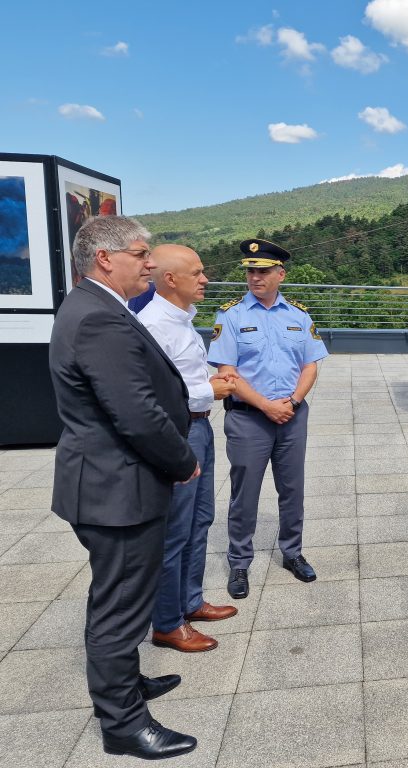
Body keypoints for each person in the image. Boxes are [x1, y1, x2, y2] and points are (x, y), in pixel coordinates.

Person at [49, 216, 199, 760]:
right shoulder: (98, 320)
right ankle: (123, 723)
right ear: (105, 259)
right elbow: (135, 413)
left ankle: (124, 686)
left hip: (110, 483)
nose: (151, 263)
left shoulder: (93, 306)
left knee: (116, 595)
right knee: (119, 608)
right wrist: (183, 461)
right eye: (141, 254)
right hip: (118, 490)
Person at [207, 239, 329, 599]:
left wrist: (291, 402)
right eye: (250, 271)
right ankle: (239, 561)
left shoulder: (298, 315)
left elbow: (310, 366)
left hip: (292, 414)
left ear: (280, 274)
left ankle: (292, 553)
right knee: (245, 492)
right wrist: (266, 405)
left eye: (262, 271)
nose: (255, 277)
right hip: (248, 418)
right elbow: (227, 375)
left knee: (292, 489)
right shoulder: (231, 316)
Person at [139, 245, 240, 653]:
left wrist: (215, 374)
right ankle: (166, 623)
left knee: (200, 520)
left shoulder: (182, 320)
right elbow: (150, 394)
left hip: (199, 428)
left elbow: (182, 375)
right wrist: (207, 390)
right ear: (170, 279)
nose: (205, 279)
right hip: (178, 432)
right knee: (174, 531)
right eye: (197, 273)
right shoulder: (153, 326)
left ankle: (190, 602)